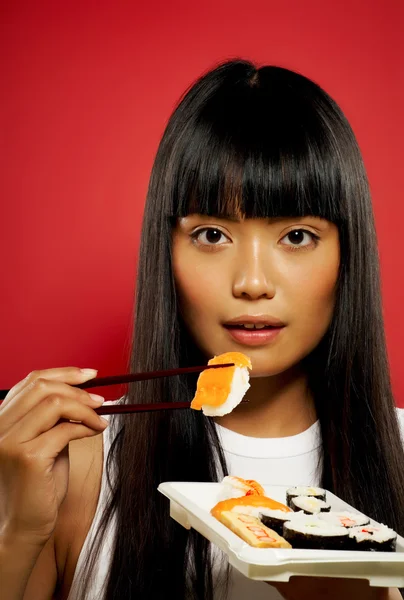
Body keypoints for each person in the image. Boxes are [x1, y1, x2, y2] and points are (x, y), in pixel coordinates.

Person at [1, 59, 403, 600]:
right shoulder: (76, 467)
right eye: (212, 234)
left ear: (347, 255)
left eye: (298, 235)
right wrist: (17, 532)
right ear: (165, 250)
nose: (253, 282)